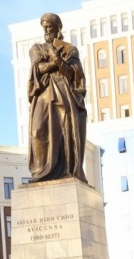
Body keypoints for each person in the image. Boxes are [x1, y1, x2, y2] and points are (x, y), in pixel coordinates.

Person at [27, 13, 88, 184]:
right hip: (44, 95)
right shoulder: (36, 48)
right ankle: (41, 172)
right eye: (44, 27)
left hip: (64, 95)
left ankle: (65, 170)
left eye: (49, 26)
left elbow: (73, 74)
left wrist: (57, 61)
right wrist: (57, 61)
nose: (46, 30)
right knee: (37, 131)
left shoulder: (70, 49)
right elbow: (37, 69)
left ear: (58, 27)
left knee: (64, 133)